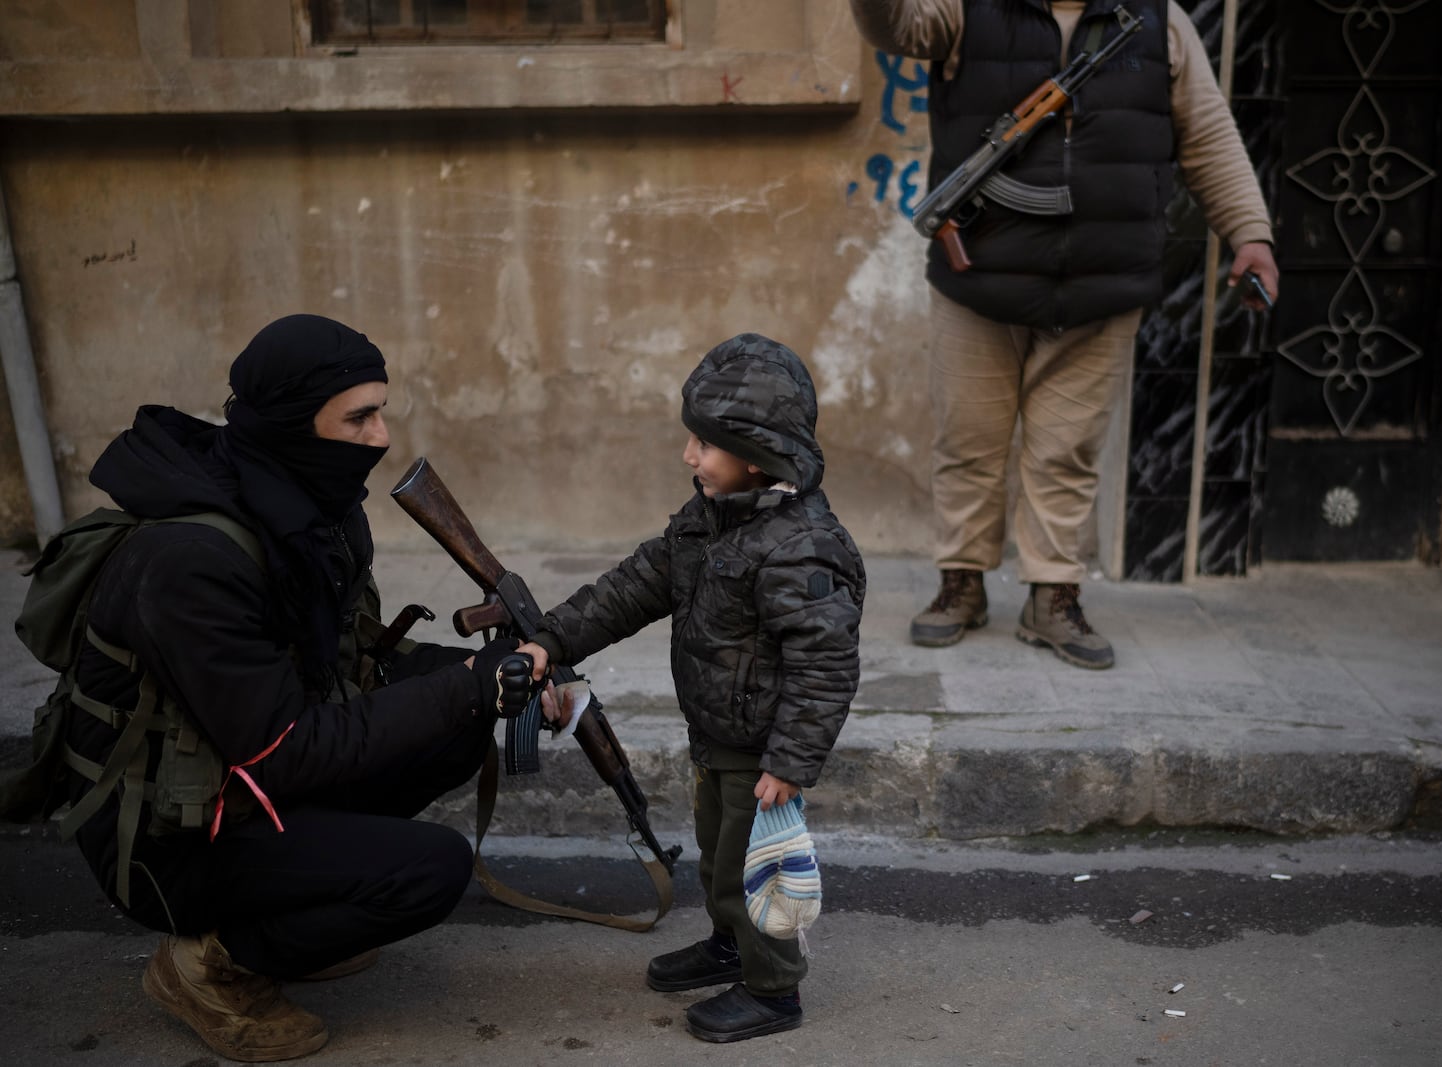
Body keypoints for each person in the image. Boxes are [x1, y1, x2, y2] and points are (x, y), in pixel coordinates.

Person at [59, 314, 556, 1062]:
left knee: (457, 726)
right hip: (164, 839)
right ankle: (211, 962)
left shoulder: (310, 513)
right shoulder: (191, 559)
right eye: (359, 416)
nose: (382, 436)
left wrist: (493, 673)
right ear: (296, 423)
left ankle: (289, 915)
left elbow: (357, 658)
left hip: (236, 784)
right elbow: (283, 750)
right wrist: (465, 686)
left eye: (381, 410)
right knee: (432, 868)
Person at [849, 0, 1278, 668]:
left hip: (1103, 281)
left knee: (1068, 448)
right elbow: (895, 28)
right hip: (982, 278)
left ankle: (1053, 593)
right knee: (969, 440)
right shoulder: (966, 9)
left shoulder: (1159, 21)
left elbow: (1208, 135)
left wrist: (1250, 233)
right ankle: (961, 581)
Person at [523, 333, 865, 1043]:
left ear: (756, 454)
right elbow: (630, 588)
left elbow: (825, 662)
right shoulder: (707, 518)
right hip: (716, 731)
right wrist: (552, 639)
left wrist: (790, 761)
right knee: (717, 849)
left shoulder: (800, 544)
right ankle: (729, 944)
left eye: (704, 444)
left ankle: (773, 989)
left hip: (762, 747)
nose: (689, 456)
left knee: (752, 862)